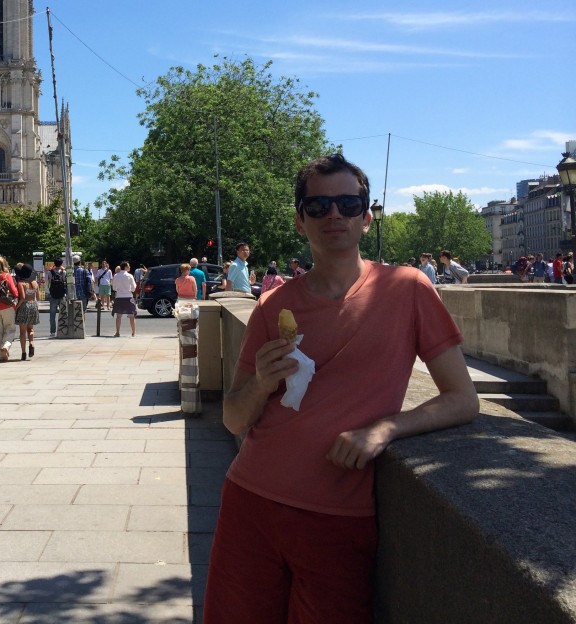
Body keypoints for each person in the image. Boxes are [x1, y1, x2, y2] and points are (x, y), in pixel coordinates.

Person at [204, 153, 478, 624]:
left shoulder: (408, 289)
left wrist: (386, 428)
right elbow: (233, 418)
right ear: (299, 220)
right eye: (319, 206)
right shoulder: (274, 305)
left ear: (366, 218)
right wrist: (263, 382)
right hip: (251, 501)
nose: (335, 215)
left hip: (338, 516)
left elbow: (463, 398)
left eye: (350, 205)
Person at [14, 262, 39, 360]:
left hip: (24, 306)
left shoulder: (21, 283)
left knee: (22, 332)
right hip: (33, 305)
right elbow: (38, 297)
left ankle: (23, 352)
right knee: (31, 329)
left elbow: (22, 297)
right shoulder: (35, 283)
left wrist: (17, 307)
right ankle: (31, 343)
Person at [110, 261, 138, 337]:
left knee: (118, 316)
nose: (129, 267)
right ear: (125, 267)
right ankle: (133, 332)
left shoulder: (116, 276)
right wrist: (130, 290)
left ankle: (117, 332)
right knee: (132, 316)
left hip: (119, 297)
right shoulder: (130, 276)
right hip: (128, 296)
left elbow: (114, 288)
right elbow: (133, 288)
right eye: (128, 266)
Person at [46, 258, 67, 336]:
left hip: (53, 295)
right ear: (61, 264)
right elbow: (66, 282)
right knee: (63, 313)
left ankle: (52, 331)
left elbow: (48, 283)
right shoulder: (63, 272)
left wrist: (49, 292)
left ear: (54, 263)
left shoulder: (50, 272)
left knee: (52, 314)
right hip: (62, 295)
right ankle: (63, 329)